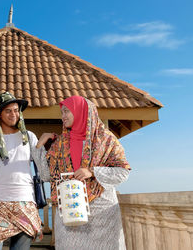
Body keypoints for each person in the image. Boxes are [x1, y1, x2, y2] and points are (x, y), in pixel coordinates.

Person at [32, 95, 131, 250]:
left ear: (81, 111)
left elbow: (122, 172)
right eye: (62, 112)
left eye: (67, 111)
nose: (63, 116)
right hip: (70, 214)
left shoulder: (105, 139)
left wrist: (92, 172)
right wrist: (39, 147)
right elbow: (46, 176)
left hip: (103, 215)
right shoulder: (60, 144)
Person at [0, 92, 42, 250]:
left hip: (25, 203)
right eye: (8, 111)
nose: (14, 114)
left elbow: (44, 169)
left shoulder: (29, 137)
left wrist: (43, 143)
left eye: (16, 110)